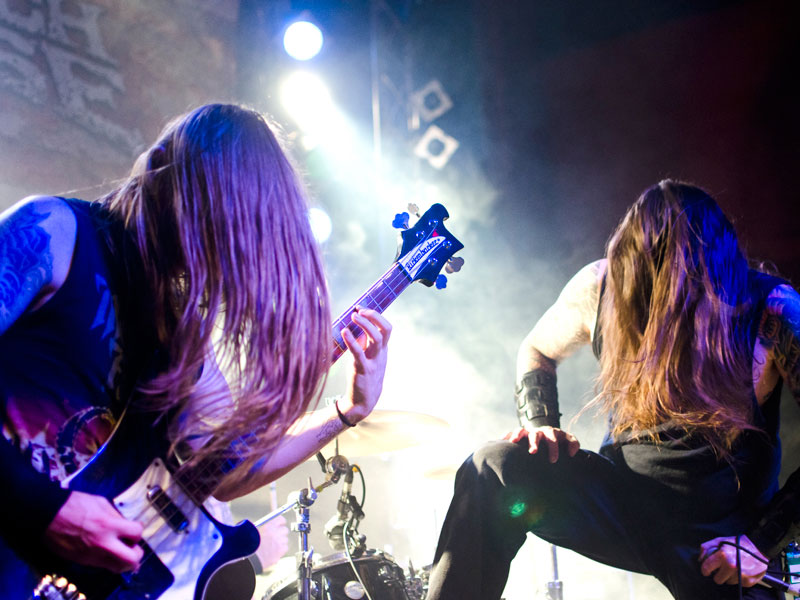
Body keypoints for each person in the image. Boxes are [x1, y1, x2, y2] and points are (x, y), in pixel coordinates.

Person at [0, 103, 391, 597]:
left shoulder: (179, 336)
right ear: (173, 178)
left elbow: (228, 471)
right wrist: (42, 508)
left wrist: (345, 411)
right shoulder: (55, 232)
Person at [425, 180, 800, 600]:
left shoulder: (773, 310)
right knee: (492, 466)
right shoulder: (602, 287)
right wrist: (540, 425)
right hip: (623, 502)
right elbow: (536, 348)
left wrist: (761, 543)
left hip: (720, 538)